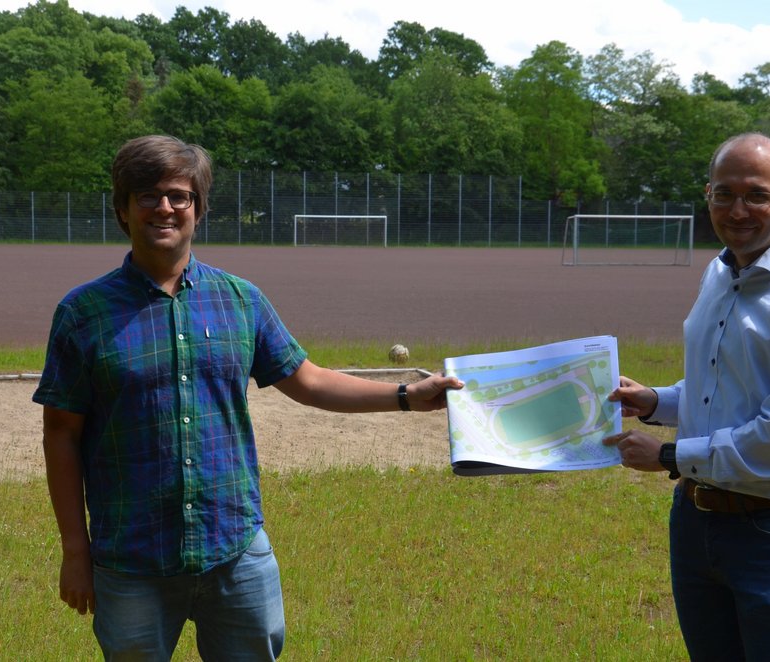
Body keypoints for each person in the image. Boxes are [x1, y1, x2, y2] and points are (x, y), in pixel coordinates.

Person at [33, 134, 462, 661]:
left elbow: (308, 381)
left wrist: (406, 396)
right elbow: (62, 434)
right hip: (131, 557)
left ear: (198, 208)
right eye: (146, 195)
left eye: (178, 195)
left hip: (234, 548)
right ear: (122, 209)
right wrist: (75, 550)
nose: (164, 207)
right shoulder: (83, 313)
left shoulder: (240, 299)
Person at [603, 132, 770, 662]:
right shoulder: (720, 272)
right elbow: (717, 393)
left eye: (756, 194)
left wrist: (669, 457)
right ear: (708, 196)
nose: (738, 209)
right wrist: (655, 401)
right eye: (723, 194)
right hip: (697, 525)